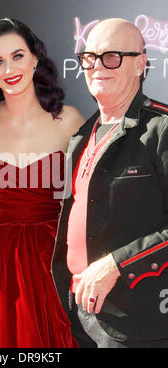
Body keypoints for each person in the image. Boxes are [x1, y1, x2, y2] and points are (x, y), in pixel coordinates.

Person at [0, 18, 85, 348]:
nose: (9, 69)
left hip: (50, 259)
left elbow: (84, 199)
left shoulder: (70, 121)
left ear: (35, 58)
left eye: (18, 56)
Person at [52, 18, 168, 348]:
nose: (98, 66)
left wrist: (118, 264)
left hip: (139, 324)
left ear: (141, 64)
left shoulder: (162, 130)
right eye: (90, 57)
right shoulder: (80, 135)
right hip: (79, 316)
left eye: (112, 57)